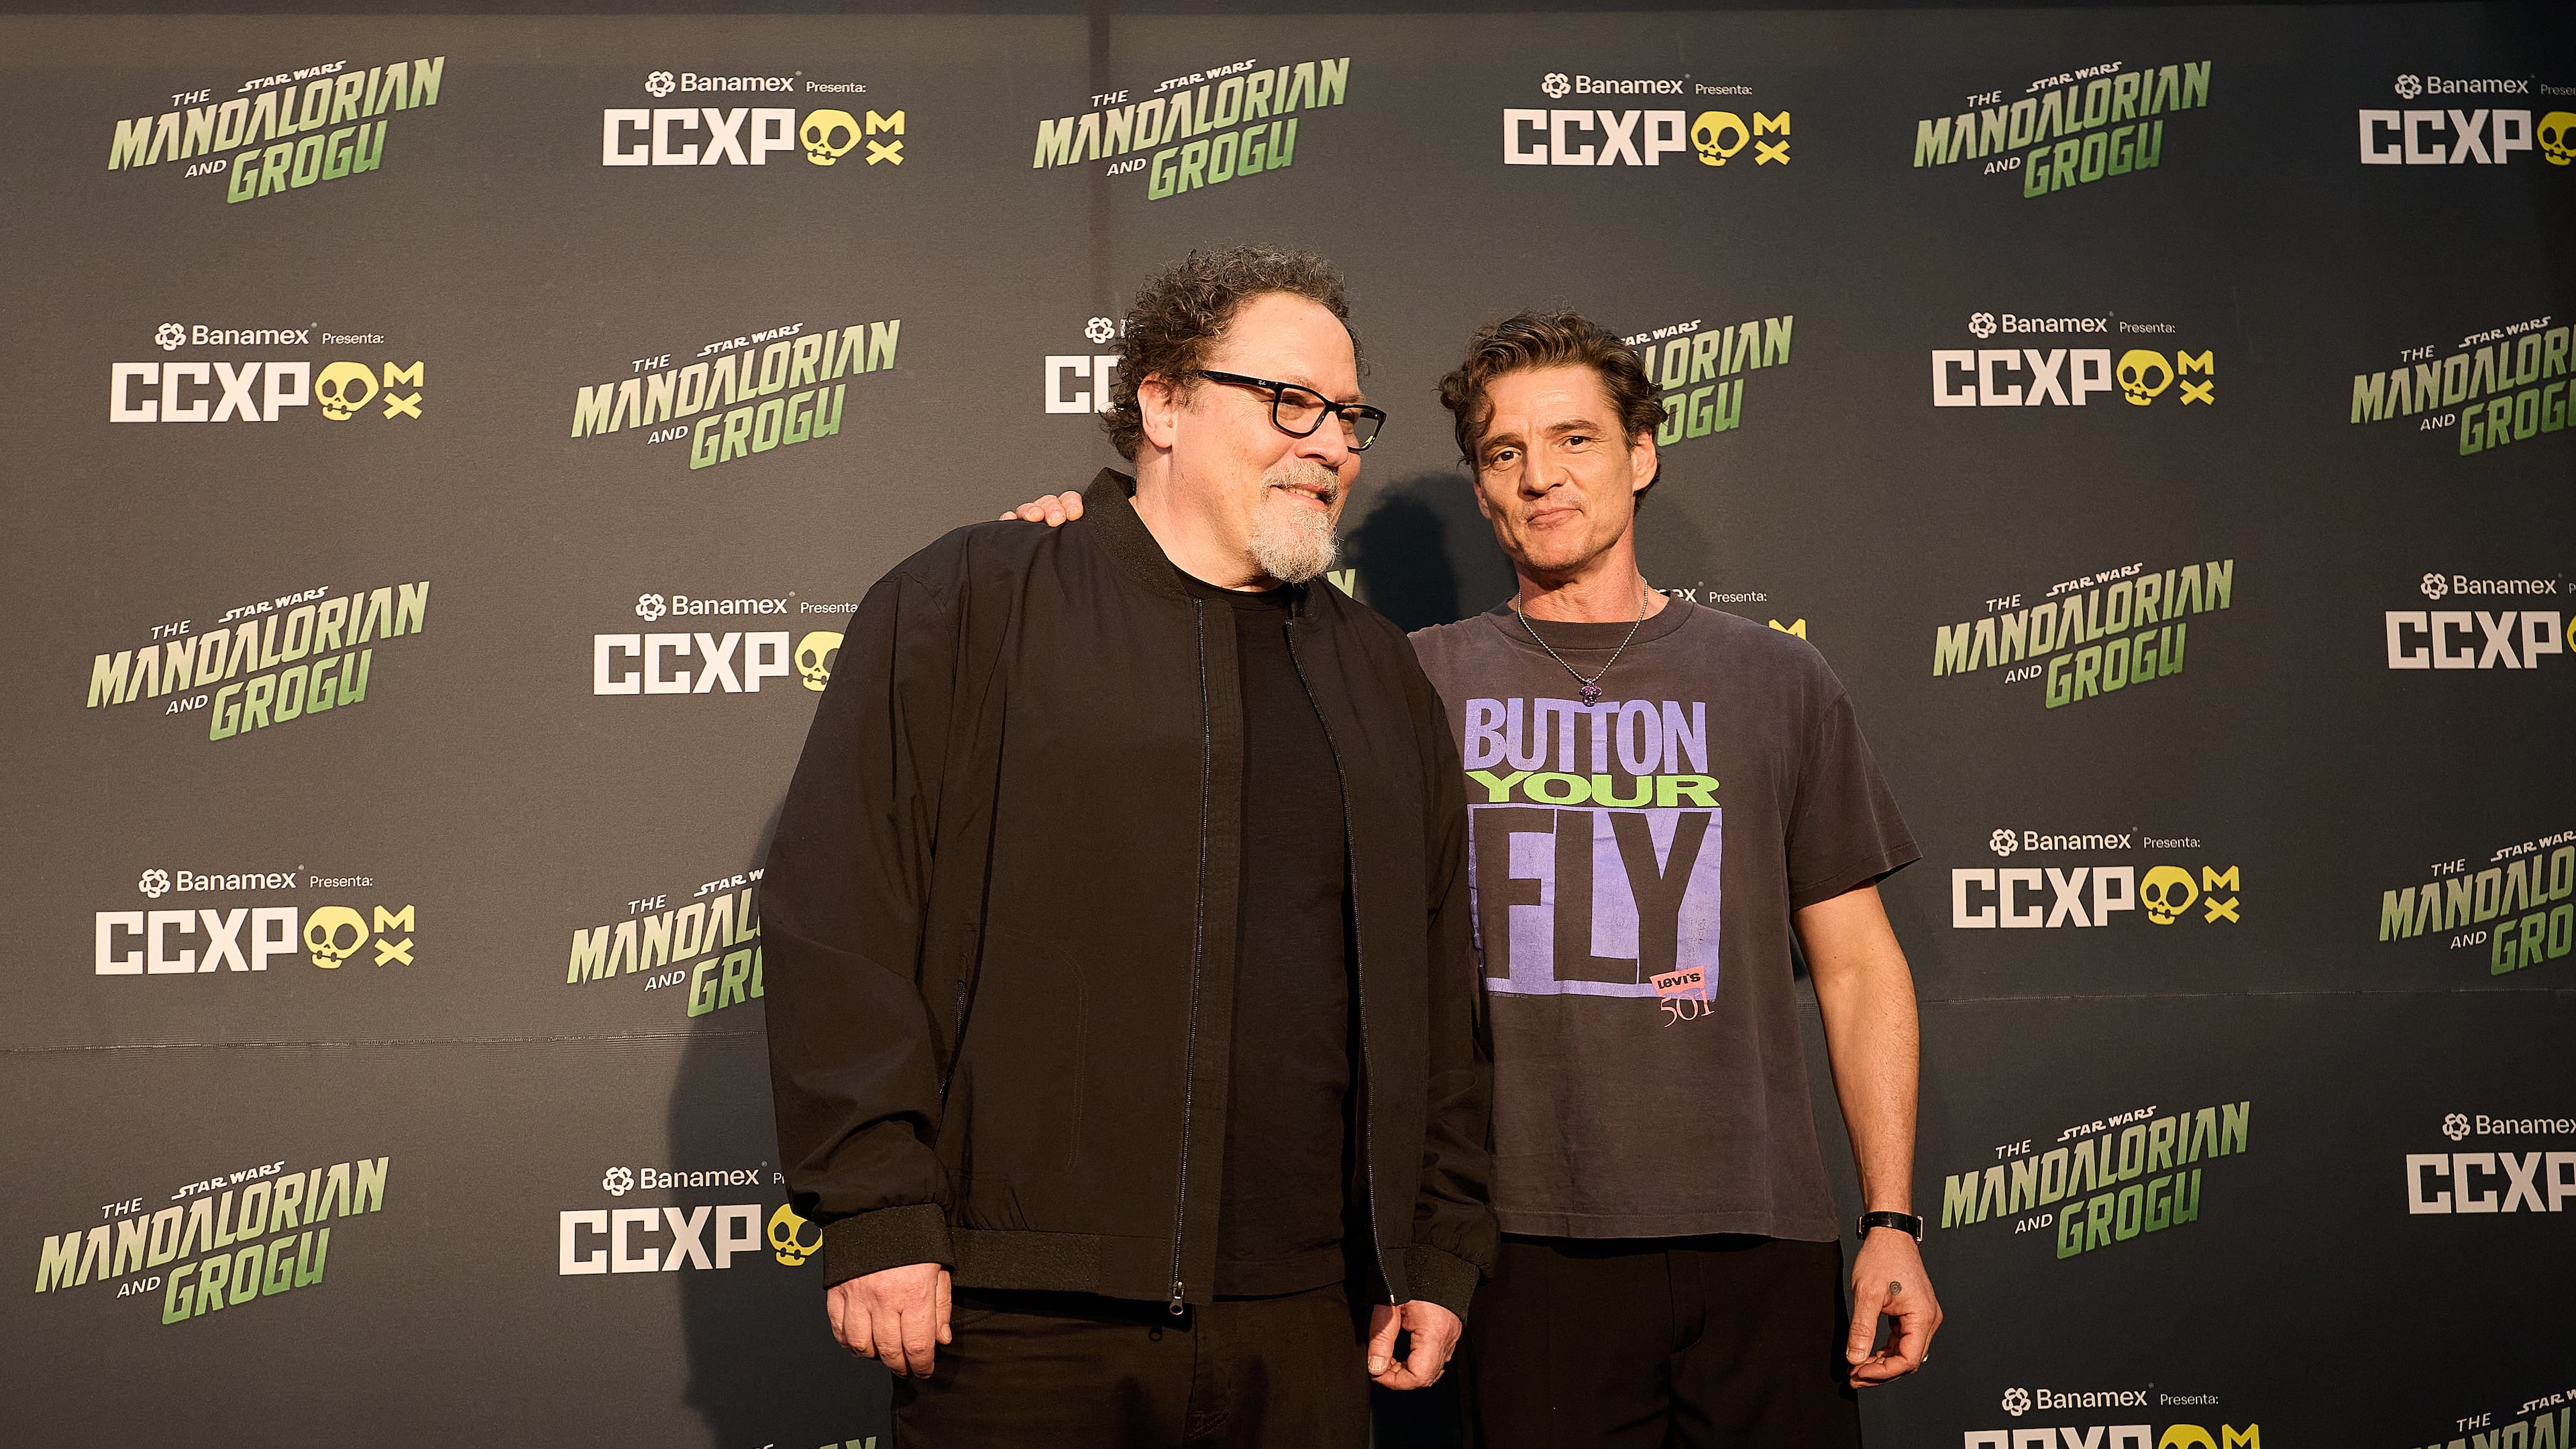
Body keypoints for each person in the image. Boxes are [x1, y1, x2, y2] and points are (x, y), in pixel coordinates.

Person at [1006, 307, 1941, 1447]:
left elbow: (1857, 970)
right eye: (1504, 453)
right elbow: (1196, 599)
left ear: (1642, 455)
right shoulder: (1403, 681)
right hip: (1517, 1249)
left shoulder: (1777, 679)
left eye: (1576, 440)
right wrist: (1067, 548)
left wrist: (1891, 1218)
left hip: (1761, 1237)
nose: (1540, 476)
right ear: (1482, 484)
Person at [761, 244, 1495, 1449]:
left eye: (1351, 418)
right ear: (1161, 401)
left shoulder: (1378, 675)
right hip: (1020, 1319)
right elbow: (841, 914)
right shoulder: (973, 601)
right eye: (1289, 403)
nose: (1331, 445)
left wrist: (1436, 1246)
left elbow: (1436, 988)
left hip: (1306, 1325)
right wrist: (881, 1209)